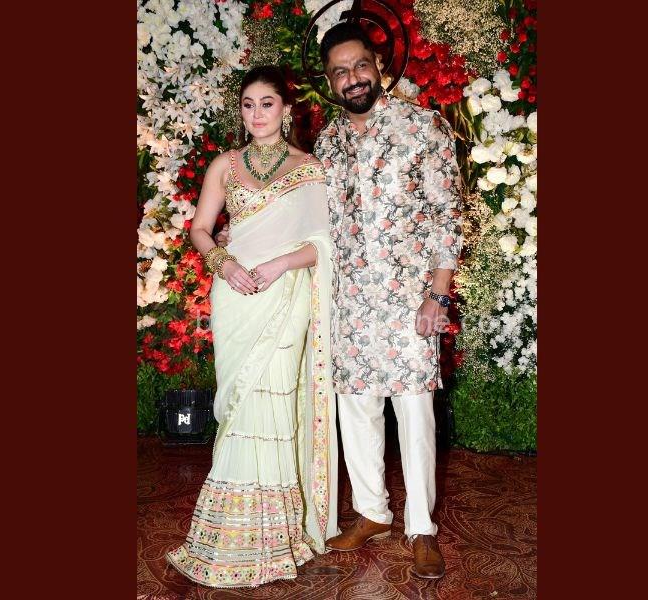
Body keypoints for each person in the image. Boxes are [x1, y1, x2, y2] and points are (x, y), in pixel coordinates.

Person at [165, 65, 339, 588]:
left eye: (267, 103)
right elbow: (200, 229)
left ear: (286, 110)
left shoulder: (310, 170)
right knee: (239, 408)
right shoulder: (225, 165)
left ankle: (275, 537)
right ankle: (231, 534)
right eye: (248, 104)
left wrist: (280, 264)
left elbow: (325, 245)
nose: (257, 114)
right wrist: (225, 265)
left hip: (285, 295)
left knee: (274, 403)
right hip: (236, 294)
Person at [314, 22, 463, 579]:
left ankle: (422, 528)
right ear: (330, 82)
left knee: (415, 414)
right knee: (356, 410)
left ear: (377, 64)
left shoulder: (422, 126)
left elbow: (448, 215)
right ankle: (372, 512)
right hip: (349, 302)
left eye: (359, 65)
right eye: (340, 72)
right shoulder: (327, 143)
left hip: (409, 301)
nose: (352, 78)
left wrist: (437, 295)